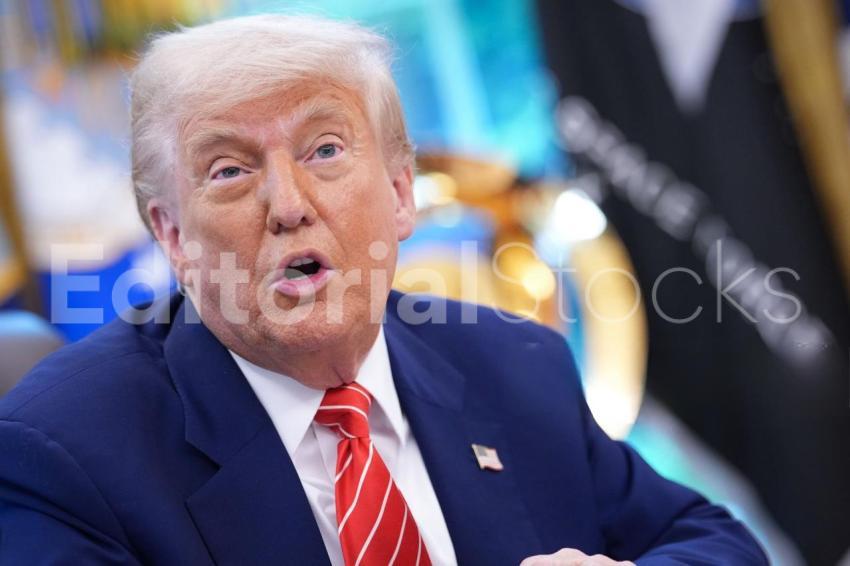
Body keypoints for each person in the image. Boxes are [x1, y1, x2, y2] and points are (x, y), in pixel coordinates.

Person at [0, 14, 766, 566]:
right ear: (171, 234)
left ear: (402, 192)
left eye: (325, 150)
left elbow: (717, 543)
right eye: (229, 170)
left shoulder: (512, 363)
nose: (289, 204)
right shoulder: (65, 453)